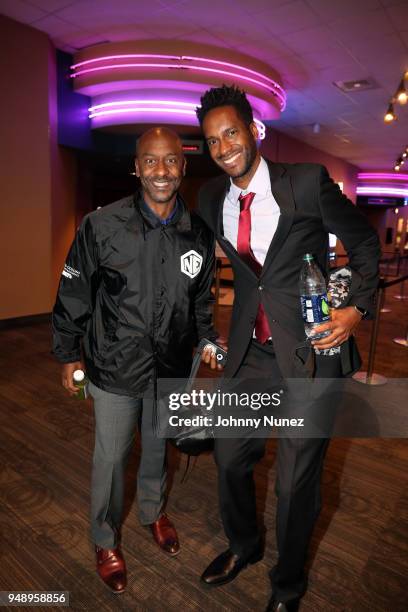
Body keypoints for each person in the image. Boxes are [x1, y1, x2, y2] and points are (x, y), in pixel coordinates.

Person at [196, 86, 381, 611]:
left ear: (253, 130)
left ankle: (287, 585)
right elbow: (208, 268)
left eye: (231, 132)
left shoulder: (304, 181)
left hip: (313, 352)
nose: (224, 147)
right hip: (251, 352)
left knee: (294, 487)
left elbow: (364, 244)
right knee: (230, 459)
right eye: (211, 141)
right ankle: (244, 547)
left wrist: (355, 309)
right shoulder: (212, 198)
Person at [52, 127, 217, 593]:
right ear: (135, 166)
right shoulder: (101, 225)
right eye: (150, 161)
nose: (160, 171)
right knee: (110, 457)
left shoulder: (198, 232)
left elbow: (203, 300)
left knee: (157, 445)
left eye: (170, 162)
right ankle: (104, 538)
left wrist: (207, 342)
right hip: (114, 365)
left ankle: (152, 511)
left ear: (183, 167)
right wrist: (68, 354)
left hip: (171, 367)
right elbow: (74, 292)